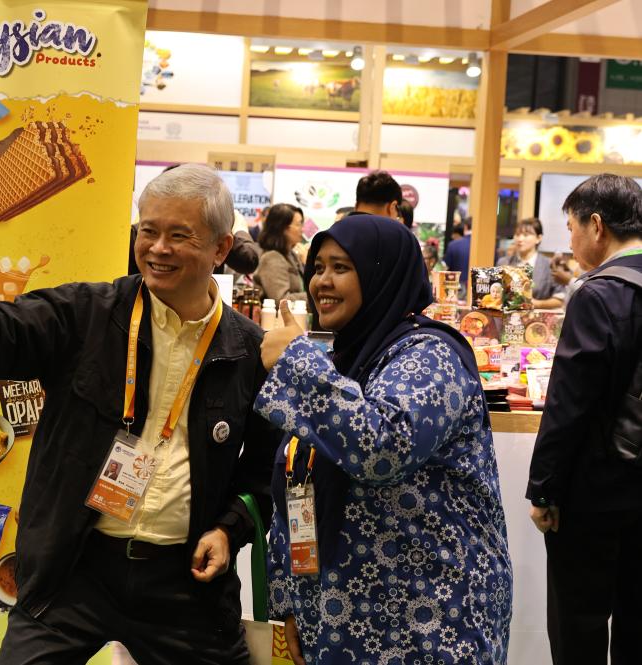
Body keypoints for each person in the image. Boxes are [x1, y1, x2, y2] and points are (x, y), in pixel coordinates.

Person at [0, 164, 281, 665]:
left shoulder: (247, 351)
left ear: (221, 248)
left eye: (179, 235)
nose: (157, 248)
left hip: (184, 585)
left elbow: (264, 468)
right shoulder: (88, 313)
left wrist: (228, 529)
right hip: (74, 569)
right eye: (149, 231)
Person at [256, 215, 512, 665]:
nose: (322, 282)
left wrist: (295, 363)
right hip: (339, 619)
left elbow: (382, 448)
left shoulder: (432, 355)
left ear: (381, 274)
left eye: (341, 267)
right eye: (317, 267)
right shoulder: (343, 361)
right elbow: (294, 487)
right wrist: (288, 602)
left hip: (432, 620)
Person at [526, 174, 642, 665]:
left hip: (596, 491)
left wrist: (544, 489)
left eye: (570, 227)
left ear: (597, 226)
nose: (569, 241)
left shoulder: (598, 294)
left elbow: (569, 404)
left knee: (579, 627)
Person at [496, 217, 565, 309]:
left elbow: (559, 299)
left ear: (538, 238)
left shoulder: (549, 265)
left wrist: (536, 304)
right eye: (517, 234)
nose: (520, 239)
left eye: (526, 235)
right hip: (508, 318)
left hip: (538, 320)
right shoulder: (504, 262)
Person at [254, 203, 308, 303]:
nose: (302, 229)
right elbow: (281, 300)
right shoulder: (271, 258)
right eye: (298, 224)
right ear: (284, 228)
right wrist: (315, 297)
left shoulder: (292, 255)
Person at [444, 217, 472, 296]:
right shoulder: (488, 247)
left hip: (457, 289)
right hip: (480, 289)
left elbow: (444, 267)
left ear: (465, 227)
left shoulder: (453, 245)